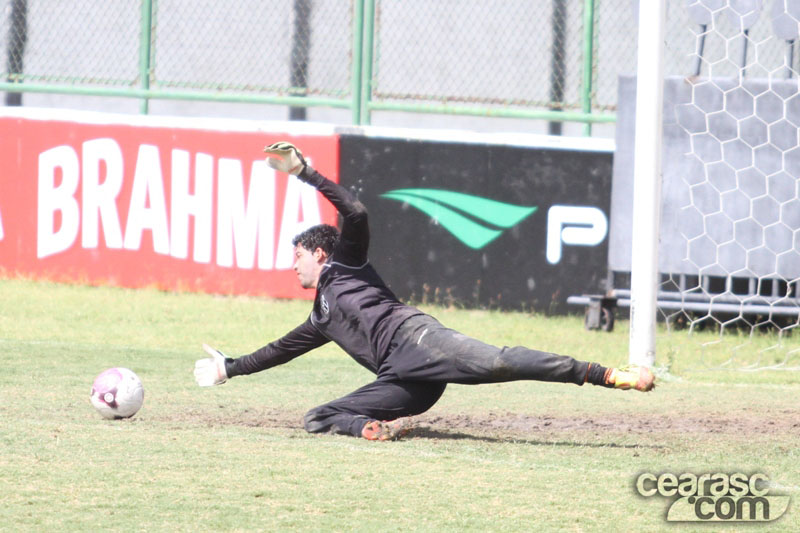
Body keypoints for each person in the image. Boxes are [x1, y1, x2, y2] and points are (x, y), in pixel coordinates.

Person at [194, 142, 655, 441]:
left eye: (297, 254)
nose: (291, 264)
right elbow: (280, 350)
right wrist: (229, 368)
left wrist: (306, 173)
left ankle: (605, 374)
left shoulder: (346, 265)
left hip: (418, 340)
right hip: (405, 384)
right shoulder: (321, 317)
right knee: (319, 417)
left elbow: (354, 213)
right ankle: (371, 429)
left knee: (500, 361)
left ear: (318, 252)